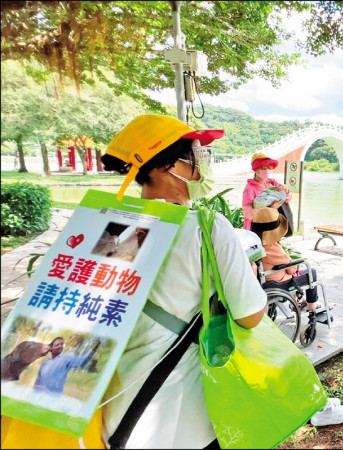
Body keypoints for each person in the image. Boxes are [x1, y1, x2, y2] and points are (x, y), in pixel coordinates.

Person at [100, 114, 269, 448]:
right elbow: (250, 315)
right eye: (195, 153)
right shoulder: (206, 227)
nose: (201, 162)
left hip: (116, 406)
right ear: (165, 164)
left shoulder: (111, 226)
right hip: (178, 415)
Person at [251, 207, 324, 316]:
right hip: (279, 283)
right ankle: (311, 306)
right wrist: (288, 257)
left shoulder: (254, 245)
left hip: (266, 280)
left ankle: (298, 302)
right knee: (311, 271)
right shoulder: (273, 249)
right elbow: (291, 270)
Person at [242, 153, 292, 230]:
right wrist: (269, 209)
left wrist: (286, 191)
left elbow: (287, 199)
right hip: (257, 226)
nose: (267, 171)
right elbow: (247, 213)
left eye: (269, 168)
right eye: (264, 168)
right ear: (256, 169)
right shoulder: (250, 188)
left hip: (271, 223)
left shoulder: (272, 183)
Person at [33, 337, 100, 394]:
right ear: (51, 348)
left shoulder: (67, 358)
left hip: (53, 396)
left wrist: (93, 349)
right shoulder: (45, 363)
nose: (60, 346)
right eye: (57, 345)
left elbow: (82, 361)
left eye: (61, 344)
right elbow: (38, 381)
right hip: (39, 395)